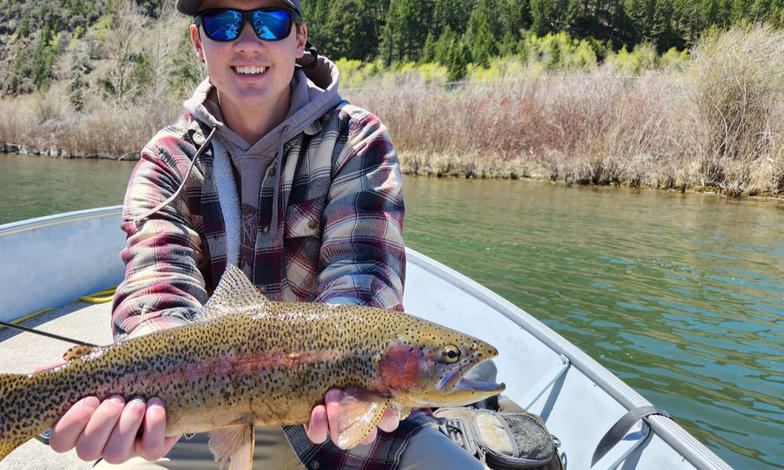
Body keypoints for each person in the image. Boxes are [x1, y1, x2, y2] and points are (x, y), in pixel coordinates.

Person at [45, 0, 483, 468]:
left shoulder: (355, 139)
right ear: (199, 41)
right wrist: (153, 375)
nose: (248, 41)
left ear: (299, 39)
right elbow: (157, 281)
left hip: (333, 409)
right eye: (223, 21)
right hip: (195, 404)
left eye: (271, 21)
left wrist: (338, 373)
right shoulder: (165, 160)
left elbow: (363, 274)